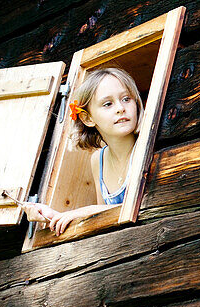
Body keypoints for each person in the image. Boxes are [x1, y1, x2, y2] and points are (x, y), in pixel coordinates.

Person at [23, 67, 143, 235]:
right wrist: (55, 216)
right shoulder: (98, 160)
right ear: (88, 118)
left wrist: (81, 212)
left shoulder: (144, 147)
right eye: (108, 104)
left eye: (126, 99)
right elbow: (104, 219)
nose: (120, 108)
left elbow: (145, 205)